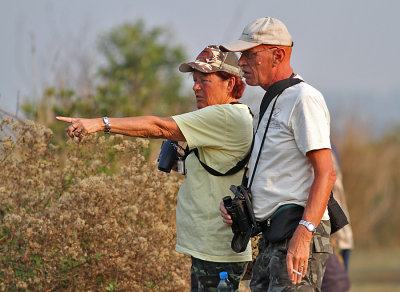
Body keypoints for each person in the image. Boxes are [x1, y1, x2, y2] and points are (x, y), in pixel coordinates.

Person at [57, 45, 253, 291]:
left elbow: (159, 127)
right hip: (213, 246)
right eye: (194, 80)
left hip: (217, 250)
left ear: (231, 83)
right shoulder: (228, 117)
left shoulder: (224, 116)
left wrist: (100, 123)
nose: (196, 87)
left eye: (205, 79)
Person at [219, 17, 337, 291]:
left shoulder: (303, 98)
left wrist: (304, 235)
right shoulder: (270, 100)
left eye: (249, 55)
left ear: (278, 55)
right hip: (273, 237)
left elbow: (326, 173)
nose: (241, 64)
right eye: (240, 56)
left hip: (295, 233)